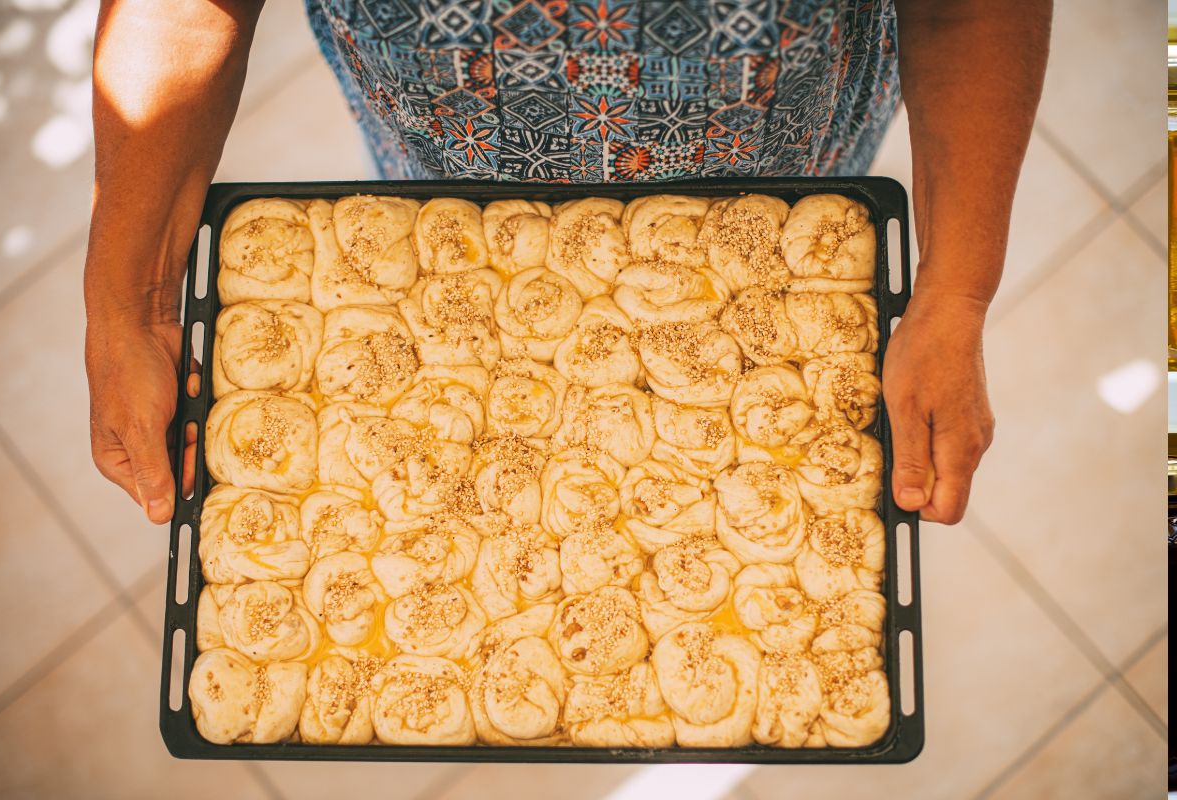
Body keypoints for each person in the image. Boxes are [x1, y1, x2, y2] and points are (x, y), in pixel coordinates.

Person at [83, 0, 1050, 526]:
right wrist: (123, 300)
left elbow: (968, 9)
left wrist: (955, 292)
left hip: (773, 156)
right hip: (455, 162)